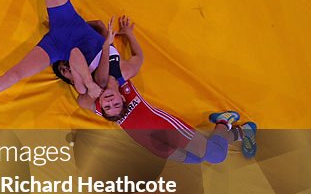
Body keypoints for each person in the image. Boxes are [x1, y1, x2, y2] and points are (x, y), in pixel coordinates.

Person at [75, 16, 258, 162]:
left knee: (215, 156)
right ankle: (239, 133)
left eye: (109, 104)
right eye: (112, 105)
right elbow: (84, 99)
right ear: (121, 99)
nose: (109, 102)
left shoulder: (119, 82)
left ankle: (224, 123)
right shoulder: (119, 85)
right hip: (153, 144)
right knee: (196, 159)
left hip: (165, 128)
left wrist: (127, 35)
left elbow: (100, 27)